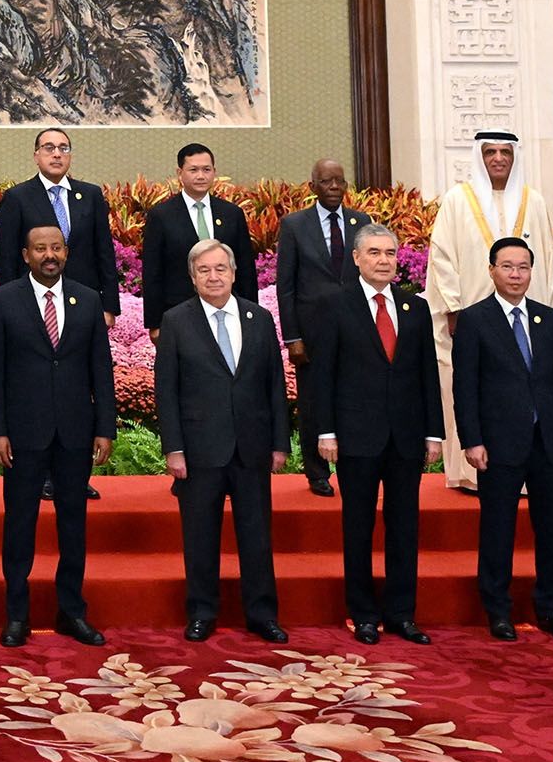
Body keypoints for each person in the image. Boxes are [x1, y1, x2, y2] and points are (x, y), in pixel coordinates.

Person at [0, 224, 116, 647]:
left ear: (66, 252)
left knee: (73, 525)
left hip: (75, 431)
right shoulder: (4, 300)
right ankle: (16, 615)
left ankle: (71, 611)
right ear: (26, 255)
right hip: (23, 433)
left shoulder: (87, 299)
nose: (49, 255)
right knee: (19, 525)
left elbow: (101, 368)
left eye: (56, 247)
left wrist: (105, 427)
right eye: (40, 249)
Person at [311, 223, 443, 645]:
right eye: (374, 253)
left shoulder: (414, 308)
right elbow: (323, 375)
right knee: (358, 527)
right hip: (356, 435)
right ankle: (364, 614)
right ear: (356, 258)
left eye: (389, 253)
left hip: (406, 436)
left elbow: (427, 374)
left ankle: (402, 614)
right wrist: (326, 431)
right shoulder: (335, 305)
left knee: (405, 527)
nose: (384, 261)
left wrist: (434, 433)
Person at [153, 237, 289, 643]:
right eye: (204, 270)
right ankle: (201, 612)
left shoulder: (259, 318)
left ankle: (262, 614)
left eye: (220, 269)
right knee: (200, 536)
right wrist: (173, 448)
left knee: (256, 536)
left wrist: (279, 443)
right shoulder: (176, 321)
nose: (213, 277)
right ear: (193, 277)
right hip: (199, 449)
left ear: (233, 273)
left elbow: (275, 385)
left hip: (252, 446)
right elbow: (166, 390)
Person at [452, 236, 553, 642]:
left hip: (550, 441)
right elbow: (465, 387)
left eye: (523, 267)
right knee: (498, 529)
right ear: (492, 270)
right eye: (507, 266)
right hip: (498, 443)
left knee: (552, 530)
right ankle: (498, 610)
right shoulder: (474, 319)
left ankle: (551, 608)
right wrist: (472, 440)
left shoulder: (547, 318)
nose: (516, 274)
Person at [424, 131, 553, 492]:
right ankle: (473, 471)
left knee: (532, 382)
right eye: (490, 152)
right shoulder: (457, 200)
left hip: (528, 316)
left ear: (514, 157)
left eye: (505, 152)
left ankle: (538, 466)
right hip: (473, 317)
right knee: (473, 386)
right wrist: (453, 306)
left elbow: (549, 261)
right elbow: (441, 256)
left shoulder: (534, 201)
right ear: (480, 157)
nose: (498, 158)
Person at [272, 159, 369, 497]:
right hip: (311, 334)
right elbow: (285, 286)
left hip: (355, 329)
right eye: (326, 181)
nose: (334, 187)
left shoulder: (361, 222)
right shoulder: (294, 225)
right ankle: (316, 473)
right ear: (312, 186)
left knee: (355, 398)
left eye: (339, 181)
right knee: (314, 401)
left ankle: (355, 465)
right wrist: (293, 337)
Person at [0, 126, 120, 319]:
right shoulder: (17, 198)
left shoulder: (90, 195)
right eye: (49, 148)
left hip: (85, 300)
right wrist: (12, 305)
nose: (57, 154)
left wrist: (109, 307)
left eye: (63, 148)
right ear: (36, 156)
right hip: (34, 302)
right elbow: (6, 259)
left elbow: (105, 253)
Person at [142, 142, 258, 327]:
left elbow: (245, 268)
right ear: (180, 173)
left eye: (206, 169)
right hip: (178, 312)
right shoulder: (161, 215)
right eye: (193, 170)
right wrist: (155, 323)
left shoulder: (231, 213)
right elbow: (152, 272)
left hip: (227, 310)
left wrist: (251, 314)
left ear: (214, 172)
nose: (201, 176)